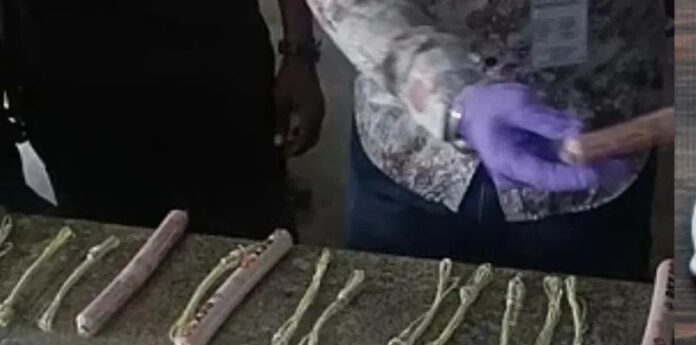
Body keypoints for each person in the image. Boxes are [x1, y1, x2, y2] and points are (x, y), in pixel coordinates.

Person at [305, 0, 669, 280]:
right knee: (386, 335)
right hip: (412, 153)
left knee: (594, 341)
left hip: (597, 144)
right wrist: (450, 98)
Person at [0, 0, 324, 239]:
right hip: (68, 87)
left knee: (253, 249)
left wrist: (299, 51)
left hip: (211, 71)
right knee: (109, 253)